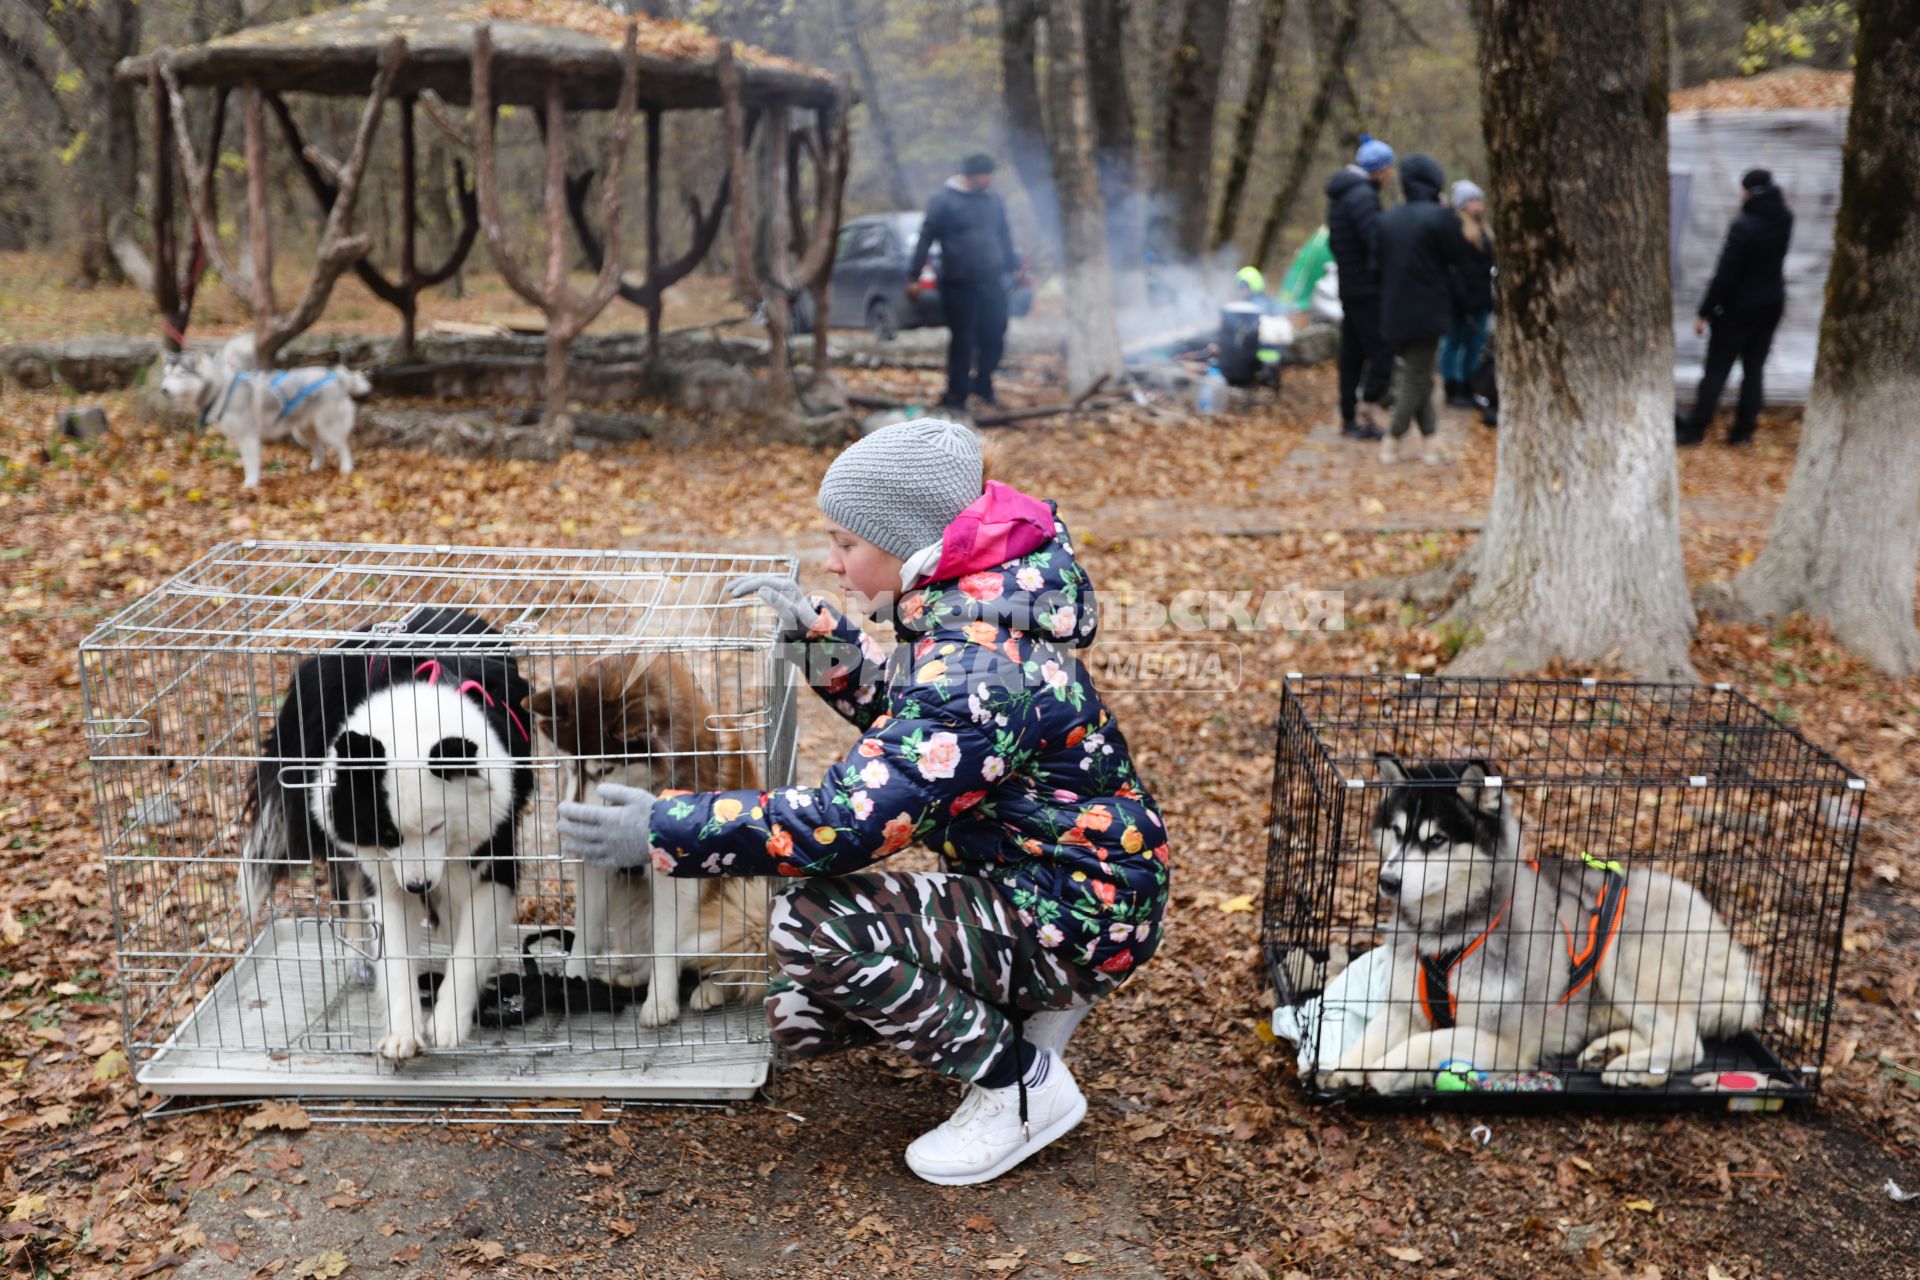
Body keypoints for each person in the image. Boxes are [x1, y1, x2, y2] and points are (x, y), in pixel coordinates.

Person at [559, 420, 1170, 1187]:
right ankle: (1028, 1002)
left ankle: (1021, 1088)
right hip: (1072, 883)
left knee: (807, 928)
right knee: (797, 1016)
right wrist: (818, 638)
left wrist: (663, 826)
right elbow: (922, 731)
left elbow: (846, 822)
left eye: (845, 541)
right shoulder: (974, 611)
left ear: (909, 545)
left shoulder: (975, 661)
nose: (832, 559)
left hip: (1073, 910)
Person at [1677, 169, 1793, 446]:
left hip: (1738, 309)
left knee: (1716, 371)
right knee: (1754, 370)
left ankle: (1695, 431)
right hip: (1771, 304)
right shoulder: (1785, 219)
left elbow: (1726, 275)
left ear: (1749, 191)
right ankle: (1743, 432)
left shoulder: (1744, 226)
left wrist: (1705, 310)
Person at [908, 154, 1021, 413]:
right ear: (971, 175)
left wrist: (1013, 267)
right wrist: (913, 275)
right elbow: (925, 237)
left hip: (991, 281)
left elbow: (1004, 235)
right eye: (985, 175)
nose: (989, 179)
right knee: (963, 340)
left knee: (995, 334)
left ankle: (983, 384)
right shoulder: (944, 201)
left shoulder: (993, 200)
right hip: (959, 284)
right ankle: (956, 395)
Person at [1376, 154, 1467, 465]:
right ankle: (1392, 438)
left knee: (1419, 376)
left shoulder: (1387, 219)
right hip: (1427, 312)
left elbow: (1374, 266)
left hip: (1391, 311)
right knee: (1416, 377)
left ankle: (1431, 441)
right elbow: (1458, 257)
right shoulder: (1440, 218)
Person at [1324, 135, 1396, 441]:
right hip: (1367, 289)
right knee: (1382, 352)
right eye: (1388, 170)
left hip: (1349, 287)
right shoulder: (1363, 197)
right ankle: (1366, 414)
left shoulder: (1342, 196)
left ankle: (1348, 417)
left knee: (1352, 355)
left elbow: (1335, 242)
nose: (1390, 176)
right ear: (1379, 170)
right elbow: (1375, 243)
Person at [1439, 179, 1494, 410]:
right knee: (1453, 343)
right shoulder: (1454, 229)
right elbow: (1453, 269)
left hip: (1481, 298)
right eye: (1472, 200)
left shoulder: (1484, 231)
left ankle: (1471, 385)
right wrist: (1461, 299)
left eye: (1479, 200)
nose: (1477, 205)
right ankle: (1453, 386)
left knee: (1475, 344)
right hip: (1459, 301)